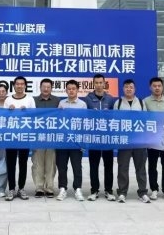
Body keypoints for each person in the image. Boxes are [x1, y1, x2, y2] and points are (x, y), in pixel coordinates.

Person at [114, 79, 151, 203]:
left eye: (131, 87)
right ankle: (122, 192)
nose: (128, 89)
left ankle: (143, 192)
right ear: (123, 89)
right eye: (126, 87)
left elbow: (146, 120)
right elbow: (114, 121)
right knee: (123, 167)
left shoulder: (140, 102)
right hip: (124, 141)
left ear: (134, 89)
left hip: (139, 141)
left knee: (141, 168)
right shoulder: (118, 103)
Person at [3, 75, 36, 201]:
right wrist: (8, 111)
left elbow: (34, 117)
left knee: (23, 163)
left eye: (22, 84)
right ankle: (11, 189)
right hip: (11, 136)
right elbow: (3, 118)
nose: (20, 86)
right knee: (10, 163)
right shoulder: (8, 99)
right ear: (14, 85)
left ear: (25, 86)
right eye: (17, 84)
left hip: (24, 135)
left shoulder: (30, 99)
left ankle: (21, 188)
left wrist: (27, 112)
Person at [85, 73, 116, 201]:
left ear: (104, 83)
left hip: (107, 137)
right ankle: (94, 190)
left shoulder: (110, 99)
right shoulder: (88, 99)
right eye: (96, 83)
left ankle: (108, 190)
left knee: (108, 165)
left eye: (100, 83)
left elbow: (115, 117)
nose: (98, 85)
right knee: (94, 165)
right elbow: (83, 117)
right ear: (93, 84)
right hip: (94, 137)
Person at [143, 77, 164, 202]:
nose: (157, 88)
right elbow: (143, 119)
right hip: (152, 140)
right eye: (154, 86)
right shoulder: (145, 101)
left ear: (162, 87)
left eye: (159, 86)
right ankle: (154, 189)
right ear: (150, 87)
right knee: (152, 165)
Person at [56, 79, 87, 201]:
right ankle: (62, 188)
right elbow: (57, 122)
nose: (71, 91)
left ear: (77, 90)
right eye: (69, 89)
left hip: (76, 141)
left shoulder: (82, 104)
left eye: (73, 89)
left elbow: (85, 124)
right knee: (62, 167)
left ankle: (77, 189)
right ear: (66, 90)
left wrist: (83, 142)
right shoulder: (61, 103)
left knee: (77, 166)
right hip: (63, 141)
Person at [32, 78, 60, 198]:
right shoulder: (33, 100)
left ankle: (49, 187)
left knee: (51, 163)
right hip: (38, 136)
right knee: (38, 163)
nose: (46, 89)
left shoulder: (57, 101)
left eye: (48, 87)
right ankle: (39, 187)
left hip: (52, 137)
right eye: (44, 87)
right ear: (40, 87)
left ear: (51, 88)